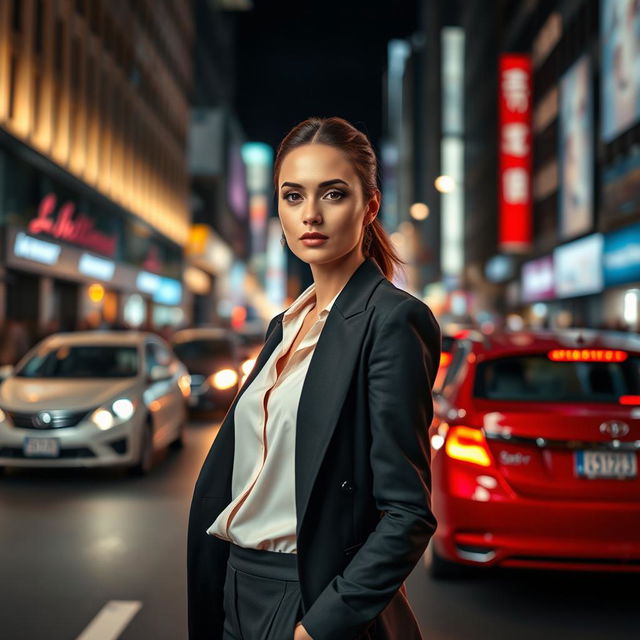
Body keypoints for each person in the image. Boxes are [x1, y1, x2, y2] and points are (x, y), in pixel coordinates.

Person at [187, 116, 441, 640]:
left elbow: (407, 513)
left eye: (332, 194)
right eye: (293, 196)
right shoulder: (285, 325)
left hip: (308, 595)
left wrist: (319, 627)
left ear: (369, 206)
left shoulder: (391, 320)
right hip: (234, 585)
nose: (311, 215)